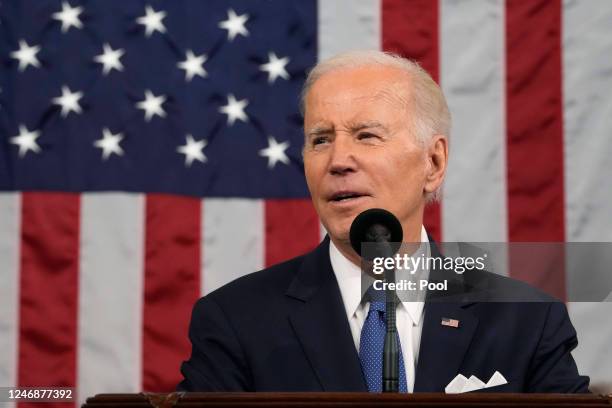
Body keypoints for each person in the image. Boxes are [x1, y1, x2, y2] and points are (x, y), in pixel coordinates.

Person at [177, 50, 589, 393]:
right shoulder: (236, 320)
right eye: (320, 140)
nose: (337, 161)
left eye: (366, 136)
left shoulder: (527, 319)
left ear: (434, 161)